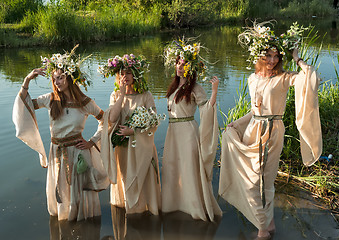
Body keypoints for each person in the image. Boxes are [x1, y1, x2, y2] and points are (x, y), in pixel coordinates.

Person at [218, 22, 322, 239]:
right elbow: (254, 110)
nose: (272, 60)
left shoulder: (285, 78)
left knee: (262, 179)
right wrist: (237, 123)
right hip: (252, 130)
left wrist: (298, 59)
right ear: (260, 56)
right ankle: (269, 223)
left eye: (276, 56)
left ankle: (263, 230)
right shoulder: (252, 78)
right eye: (268, 55)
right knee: (250, 179)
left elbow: (313, 78)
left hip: (272, 132)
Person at [13, 46, 109, 221]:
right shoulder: (50, 99)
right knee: (62, 188)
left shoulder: (85, 102)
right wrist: (27, 79)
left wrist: (92, 142)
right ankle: (66, 218)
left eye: (61, 77)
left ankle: (80, 223)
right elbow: (25, 105)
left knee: (78, 190)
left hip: (78, 151)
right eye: (55, 78)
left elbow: (105, 121)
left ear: (70, 78)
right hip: (56, 151)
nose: (57, 82)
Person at [161, 38, 222, 222]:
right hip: (172, 132)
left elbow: (206, 110)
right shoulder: (173, 87)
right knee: (172, 168)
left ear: (191, 67)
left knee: (188, 168)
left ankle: (194, 205)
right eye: (178, 63)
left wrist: (214, 91)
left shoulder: (195, 88)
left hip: (188, 132)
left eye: (184, 64)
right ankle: (174, 203)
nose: (180, 67)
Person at [99, 54, 161, 215]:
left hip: (142, 147)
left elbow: (154, 122)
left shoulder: (145, 95)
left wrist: (133, 132)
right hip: (124, 150)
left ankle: (144, 213)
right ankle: (130, 210)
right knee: (127, 180)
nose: (124, 77)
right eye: (121, 73)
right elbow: (112, 119)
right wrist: (120, 95)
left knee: (144, 179)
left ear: (135, 74)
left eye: (127, 73)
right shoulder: (115, 96)